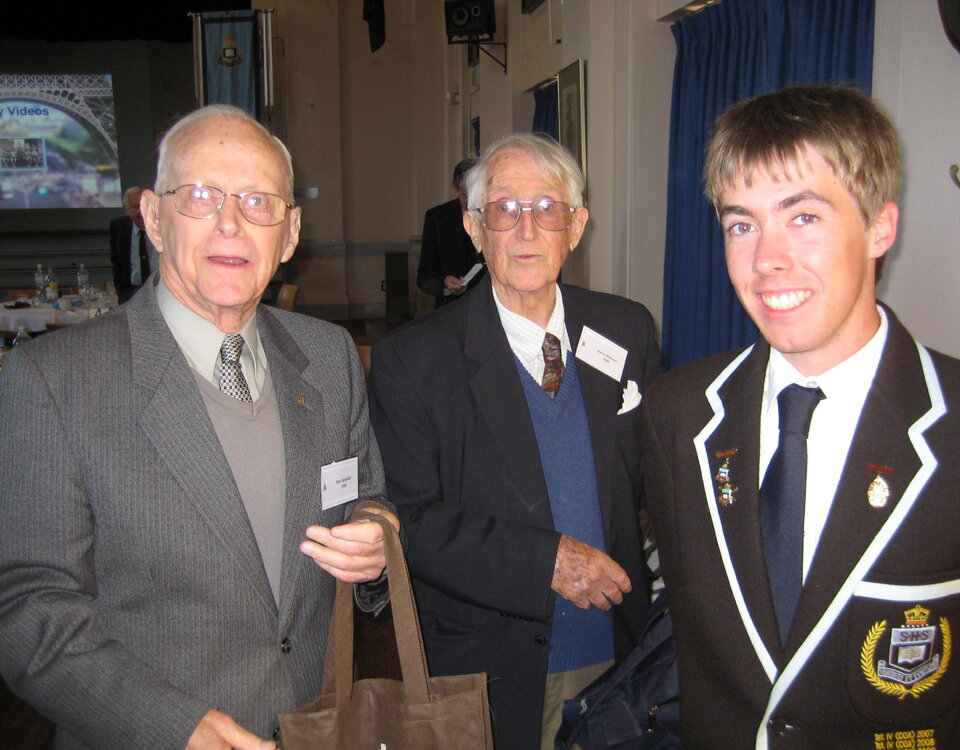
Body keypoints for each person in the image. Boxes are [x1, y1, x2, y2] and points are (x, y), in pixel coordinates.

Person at [0, 104, 398, 750]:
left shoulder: (328, 357)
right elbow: (27, 606)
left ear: (290, 233)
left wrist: (378, 537)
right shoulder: (54, 380)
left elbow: (365, 498)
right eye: (202, 196)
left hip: (317, 726)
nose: (231, 223)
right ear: (154, 218)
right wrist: (170, 726)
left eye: (257, 201)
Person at [641, 85, 960, 748]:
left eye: (803, 216)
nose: (766, 260)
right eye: (741, 224)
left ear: (880, 228)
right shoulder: (678, 414)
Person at [369, 132, 661, 750]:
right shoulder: (414, 359)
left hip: (619, 650)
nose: (527, 229)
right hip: (493, 664)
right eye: (504, 209)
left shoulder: (626, 328)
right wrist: (546, 561)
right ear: (474, 228)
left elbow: (655, 481)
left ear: (575, 226)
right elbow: (410, 520)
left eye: (547, 207)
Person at [417, 158, 484, 307]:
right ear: (456, 189)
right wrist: (444, 282)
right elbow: (425, 277)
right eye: (466, 195)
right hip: (452, 307)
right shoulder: (437, 218)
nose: (472, 202)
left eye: (477, 194)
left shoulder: (497, 214)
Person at [109, 185, 158, 304]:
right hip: (130, 293)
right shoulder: (119, 227)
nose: (141, 211)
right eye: (136, 207)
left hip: (159, 290)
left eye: (145, 206)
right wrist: (121, 293)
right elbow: (117, 264)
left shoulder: (163, 227)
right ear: (127, 210)